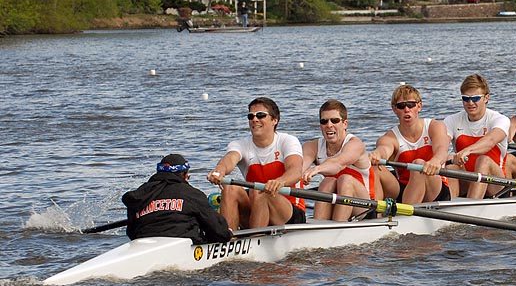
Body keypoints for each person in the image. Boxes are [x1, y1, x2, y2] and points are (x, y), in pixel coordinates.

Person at [207, 97, 305, 230]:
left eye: (260, 115)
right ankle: (228, 239)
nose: (254, 119)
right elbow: (229, 159)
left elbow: (295, 171)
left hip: (289, 211)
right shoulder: (240, 144)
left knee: (259, 191)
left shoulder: (288, 141)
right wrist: (219, 171)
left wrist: (280, 182)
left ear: (274, 120)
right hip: (257, 205)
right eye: (250, 116)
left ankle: (255, 238)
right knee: (229, 188)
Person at [122, 154, 232, 244]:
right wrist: (228, 234)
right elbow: (220, 232)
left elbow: (131, 232)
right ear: (184, 174)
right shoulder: (192, 194)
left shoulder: (141, 194)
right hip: (182, 247)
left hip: (143, 245)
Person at [370, 85, 451, 204]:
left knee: (418, 164)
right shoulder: (389, 137)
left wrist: (436, 160)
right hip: (405, 190)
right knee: (374, 166)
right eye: (401, 106)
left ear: (419, 106)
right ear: (394, 109)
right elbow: (384, 150)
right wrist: (377, 154)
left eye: (411, 105)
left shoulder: (435, 126)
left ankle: (404, 216)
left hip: (435, 188)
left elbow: (442, 149)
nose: (407, 110)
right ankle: (376, 212)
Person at [301, 100, 379, 221]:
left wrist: (316, 169)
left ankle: (337, 227)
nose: (329, 125)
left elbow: (338, 163)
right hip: (336, 201)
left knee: (345, 179)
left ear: (345, 124)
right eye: (324, 121)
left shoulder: (355, 144)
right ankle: (318, 227)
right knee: (327, 182)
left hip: (364, 208)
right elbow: (299, 167)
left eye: (335, 120)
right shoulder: (311, 146)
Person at [443, 74, 511, 198]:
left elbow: (490, 141)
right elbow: (441, 145)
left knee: (483, 160)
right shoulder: (451, 120)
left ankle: (471, 205)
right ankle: (448, 206)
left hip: (496, 184)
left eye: (475, 99)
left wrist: (467, 150)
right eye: (465, 98)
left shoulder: (500, 119)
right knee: (451, 166)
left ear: (486, 98)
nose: (470, 103)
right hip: (469, 179)